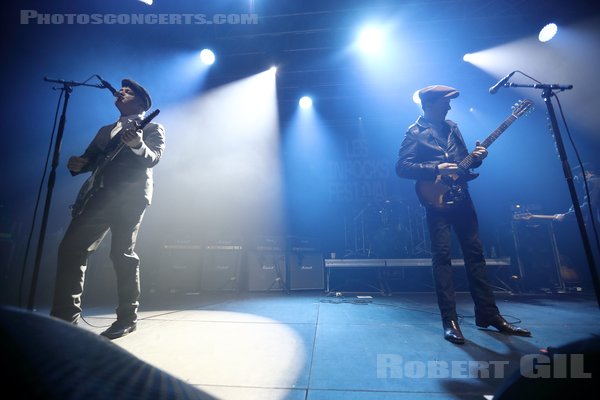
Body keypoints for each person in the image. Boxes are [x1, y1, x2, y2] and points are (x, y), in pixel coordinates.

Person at [395, 85, 531, 344]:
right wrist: (436, 167)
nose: (449, 106)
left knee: (476, 255)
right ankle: (450, 321)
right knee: (442, 258)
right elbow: (402, 167)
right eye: (445, 102)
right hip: (436, 201)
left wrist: (477, 157)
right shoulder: (415, 132)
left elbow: (462, 164)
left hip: (462, 198)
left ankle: (489, 315)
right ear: (430, 103)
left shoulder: (453, 127)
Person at [50, 78, 165, 340]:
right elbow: (89, 160)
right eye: (121, 90)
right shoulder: (105, 130)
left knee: (121, 254)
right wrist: (77, 164)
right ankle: (64, 320)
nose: (121, 92)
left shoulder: (153, 127)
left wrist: (137, 144)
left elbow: (154, 158)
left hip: (131, 197)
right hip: (98, 196)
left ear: (140, 101)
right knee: (71, 248)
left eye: (128, 90)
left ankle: (127, 318)